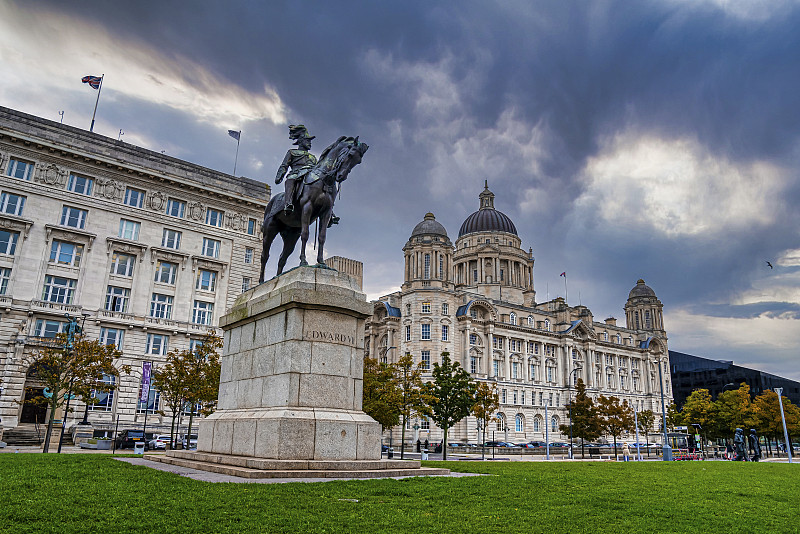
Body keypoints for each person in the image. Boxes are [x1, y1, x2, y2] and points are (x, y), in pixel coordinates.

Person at [275, 124, 317, 215]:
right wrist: (279, 176)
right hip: (296, 173)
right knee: (291, 179)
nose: (310, 143)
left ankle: (329, 212)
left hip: (309, 174)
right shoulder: (292, 152)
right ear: (301, 141)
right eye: (308, 141)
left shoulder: (313, 157)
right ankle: (288, 203)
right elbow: (284, 165)